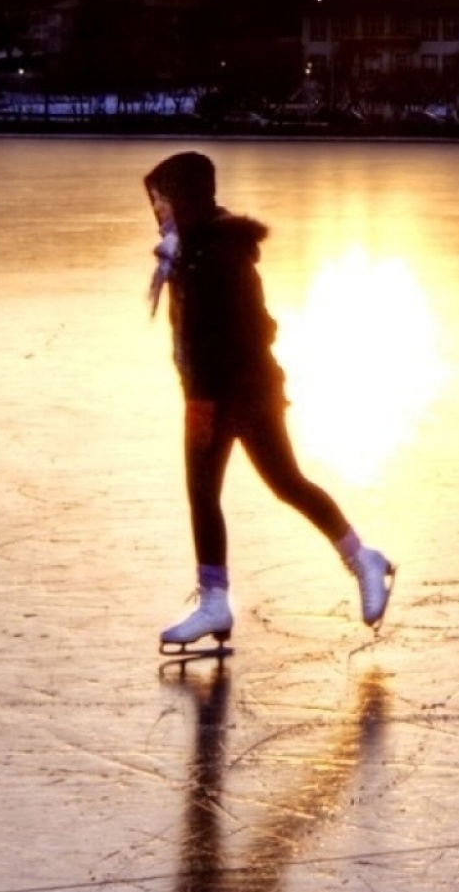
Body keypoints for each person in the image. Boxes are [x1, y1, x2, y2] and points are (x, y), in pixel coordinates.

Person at [143, 151, 392, 650]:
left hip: (241, 394)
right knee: (207, 493)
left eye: (164, 201)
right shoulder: (187, 250)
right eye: (155, 203)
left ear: (188, 199)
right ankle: (215, 601)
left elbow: (252, 327)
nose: (158, 212)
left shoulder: (216, 254)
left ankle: (362, 559)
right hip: (212, 393)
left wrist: (211, 396)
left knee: (284, 483)